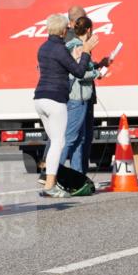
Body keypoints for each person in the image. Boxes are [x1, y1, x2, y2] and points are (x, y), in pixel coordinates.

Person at [34, 13, 98, 197]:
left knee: (55, 141)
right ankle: (49, 185)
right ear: (63, 31)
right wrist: (85, 51)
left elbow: (61, 66)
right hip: (55, 100)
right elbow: (78, 72)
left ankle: (49, 181)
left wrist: (76, 56)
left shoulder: (43, 48)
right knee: (59, 142)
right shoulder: (60, 48)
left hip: (39, 98)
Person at [61, 16, 110, 173]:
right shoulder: (78, 47)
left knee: (79, 139)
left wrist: (98, 65)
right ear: (89, 30)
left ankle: (77, 175)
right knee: (71, 138)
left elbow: (81, 68)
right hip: (77, 98)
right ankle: (52, 173)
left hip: (79, 98)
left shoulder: (75, 46)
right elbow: (78, 73)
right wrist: (97, 73)